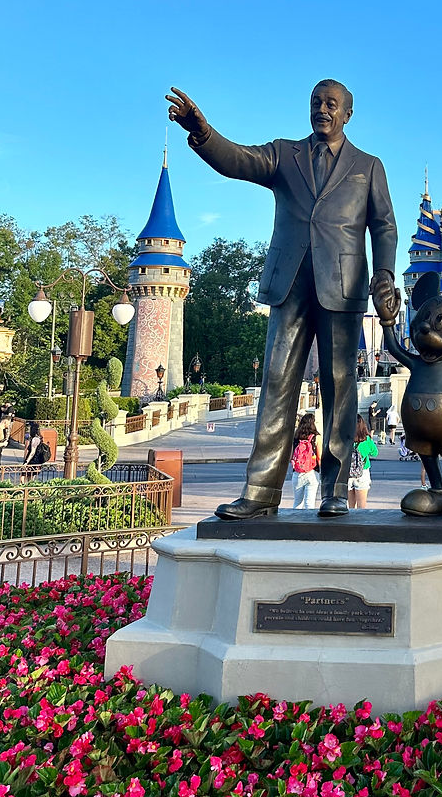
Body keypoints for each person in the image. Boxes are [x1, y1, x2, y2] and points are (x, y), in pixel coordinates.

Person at [167, 80, 397, 519]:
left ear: (348, 113)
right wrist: (202, 131)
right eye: (316, 103)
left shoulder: (368, 166)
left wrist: (384, 274)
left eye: (331, 105)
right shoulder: (283, 155)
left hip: (343, 287)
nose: (322, 110)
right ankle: (260, 491)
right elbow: (238, 160)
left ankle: (332, 491)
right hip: (289, 285)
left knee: (340, 388)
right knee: (276, 383)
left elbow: (384, 225)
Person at [291, 412, 322, 510]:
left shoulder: (296, 436)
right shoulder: (316, 437)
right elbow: (319, 457)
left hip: (297, 472)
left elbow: (291, 455)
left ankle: (295, 524)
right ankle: (309, 524)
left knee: (297, 502)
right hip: (312, 472)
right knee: (309, 503)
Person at [349, 415, 377, 509]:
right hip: (362, 472)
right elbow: (375, 453)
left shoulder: (346, 439)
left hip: (348, 473)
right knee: (362, 506)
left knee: (350, 506)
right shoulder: (366, 439)